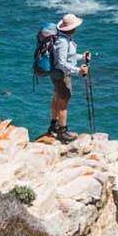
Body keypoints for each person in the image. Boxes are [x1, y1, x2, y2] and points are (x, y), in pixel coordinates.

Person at [46, 12, 90, 140]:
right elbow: (61, 62)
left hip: (57, 73)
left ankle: (53, 125)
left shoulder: (63, 39)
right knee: (63, 102)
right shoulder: (63, 42)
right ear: (72, 28)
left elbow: (68, 57)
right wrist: (78, 70)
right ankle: (62, 131)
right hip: (61, 75)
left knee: (56, 98)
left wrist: (82, 57)